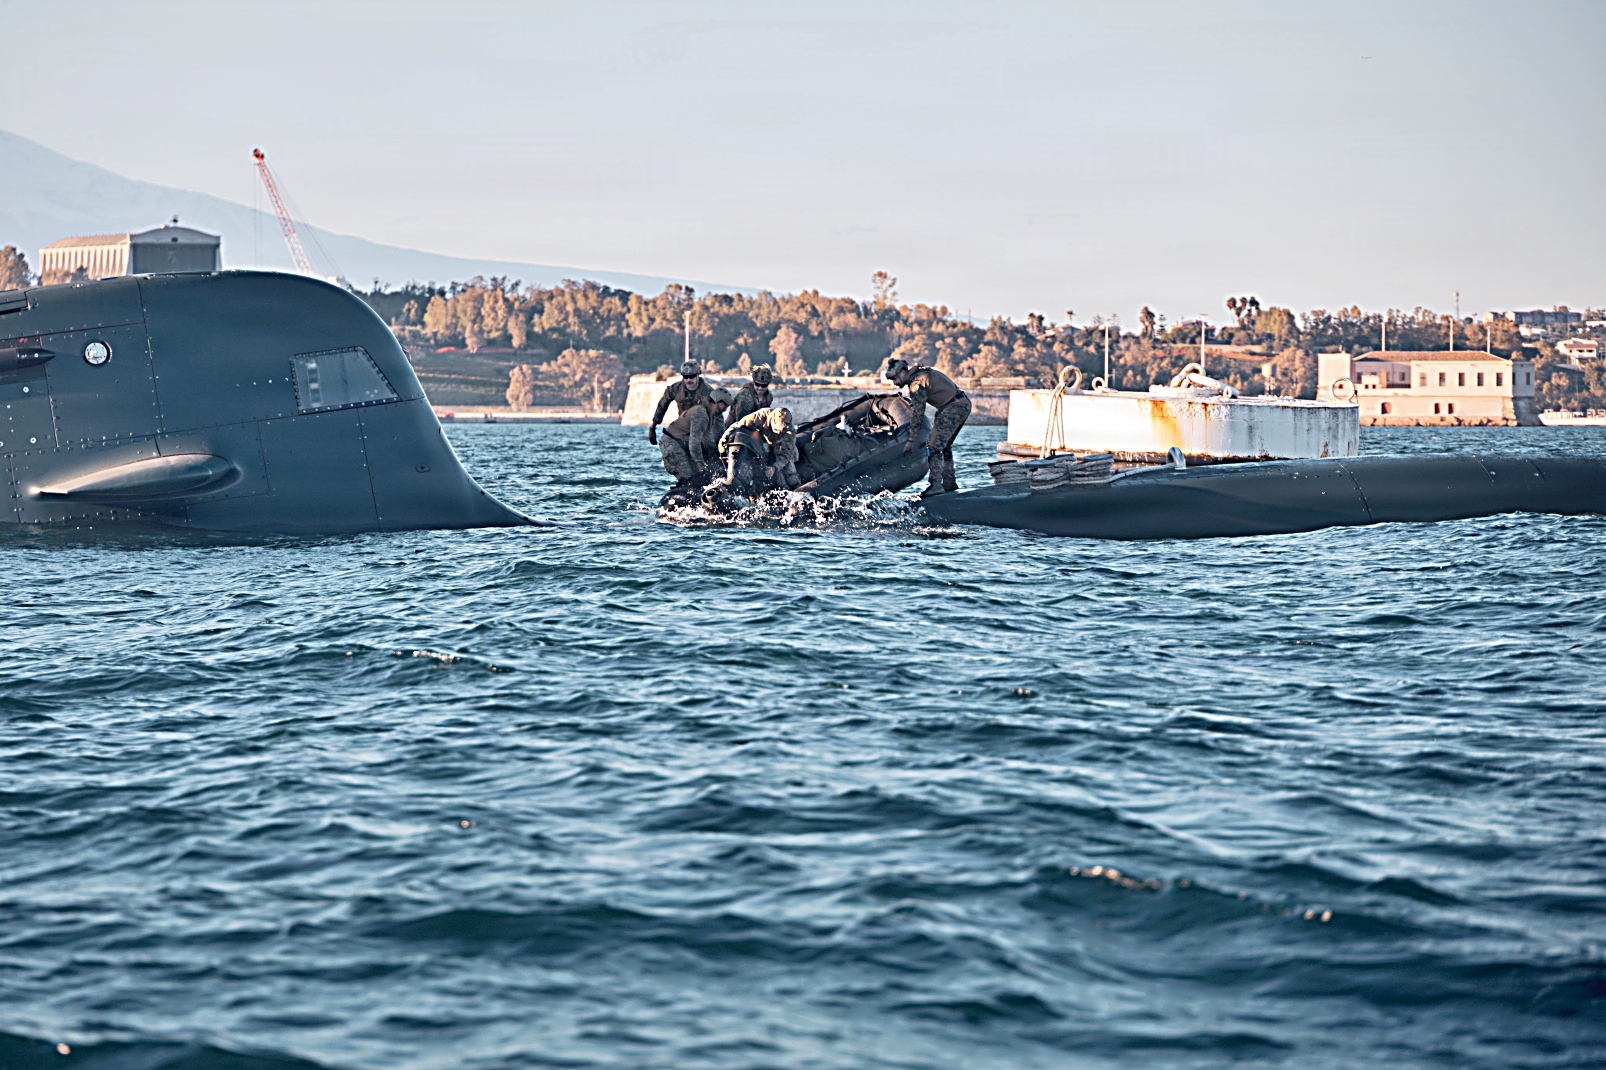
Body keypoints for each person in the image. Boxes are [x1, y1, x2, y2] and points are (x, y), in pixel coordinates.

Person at [885, 357, 970, 497]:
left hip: (954, 407)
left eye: (895, 378)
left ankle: (936, 485)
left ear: (903, 372)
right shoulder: (920, 374)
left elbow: (917, 413)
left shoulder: (916, 383)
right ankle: (949, 482)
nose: (894, 383)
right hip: (961, 404)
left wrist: (911, 440)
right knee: (944, 445)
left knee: (933, 445)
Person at [716, 406, 799, 496]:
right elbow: (738, 425)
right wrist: (724, 438)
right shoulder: (760, 416)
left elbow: (786, 455)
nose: (779, 432)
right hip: (761, 443)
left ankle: (796, 490)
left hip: (780, 447)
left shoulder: (789, 431)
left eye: (781, 431)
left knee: (789, 470)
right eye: (776, 429)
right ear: (772, 420)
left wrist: (774, 468)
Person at [659, 387, 731, 485]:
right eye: (726, 406)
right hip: (672, 445)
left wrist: (718, 457)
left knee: (698, 479)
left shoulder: (709, 414)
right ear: (720, 403)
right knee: (689, 480)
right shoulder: (701, 414)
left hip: (681, 445)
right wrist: (700, 464)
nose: (725, 409)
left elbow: (708, 440)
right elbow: (694, 443)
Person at [647, 360, 713, 446]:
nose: (688, 380)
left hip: (702, 429)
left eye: (691, 376)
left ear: (698, 375)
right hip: (684, 428)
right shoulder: (675, 389)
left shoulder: (708, 391)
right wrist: (652, 428)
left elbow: (717, 413)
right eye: (685, 377)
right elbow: (662, 406)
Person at [725, 363, 774, 428]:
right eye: (757, 384)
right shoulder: (745, 396)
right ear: (754, 382)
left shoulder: (768, 396)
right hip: (735, 428)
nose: (760, 388)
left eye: (764, 385)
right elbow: (740, 423)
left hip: (755, 427)